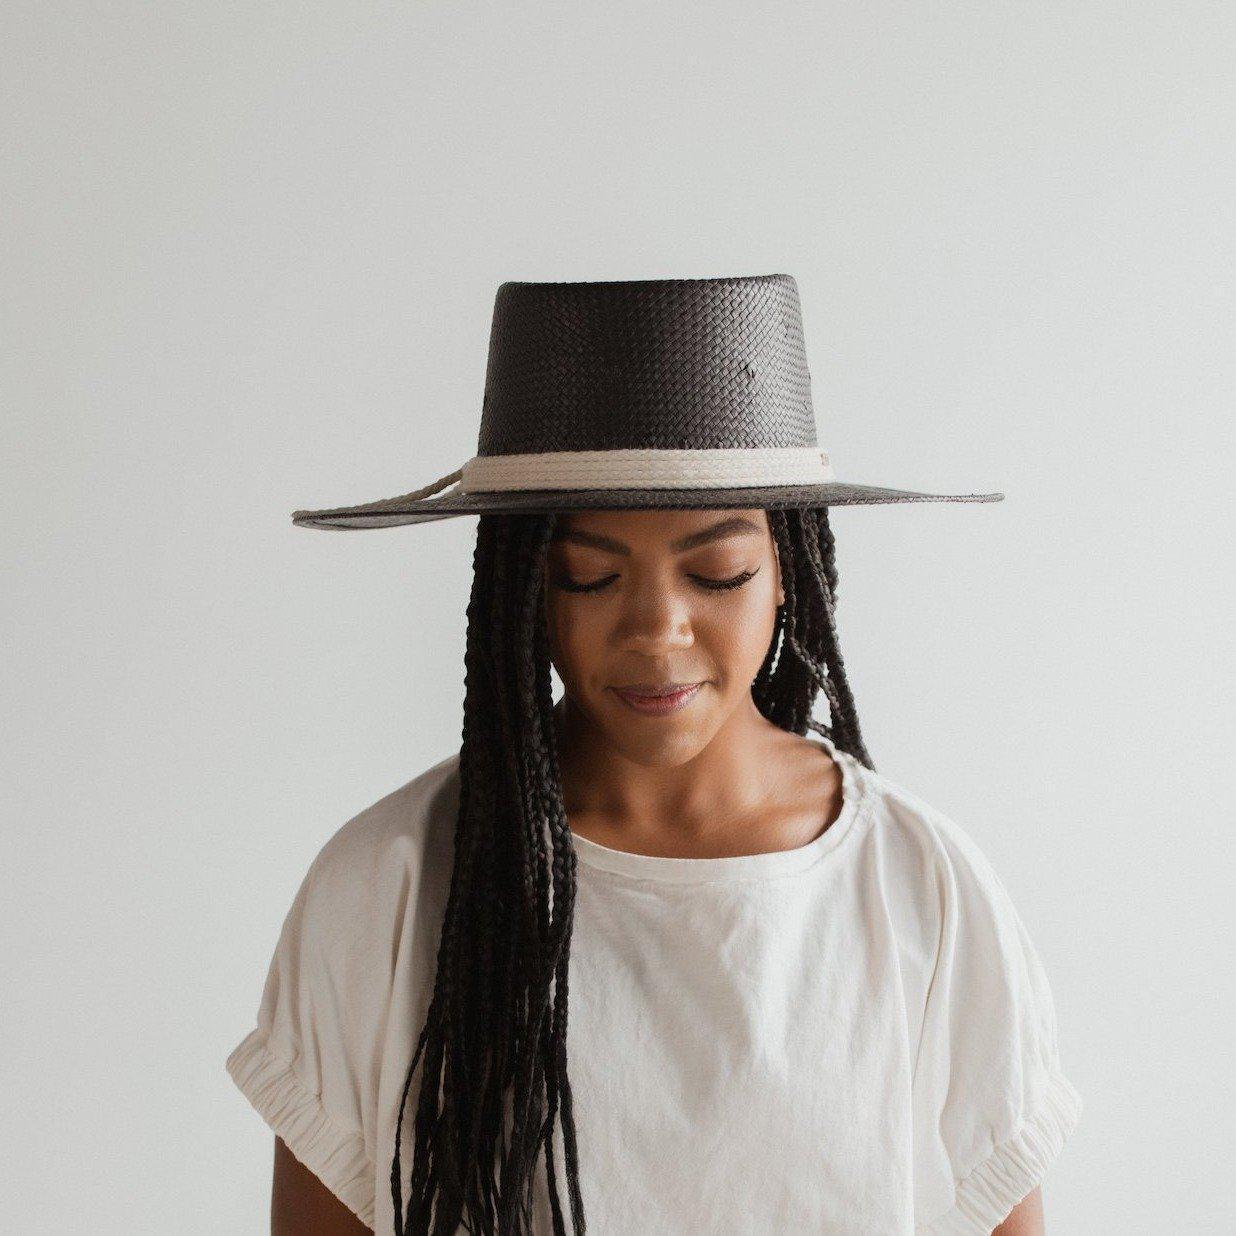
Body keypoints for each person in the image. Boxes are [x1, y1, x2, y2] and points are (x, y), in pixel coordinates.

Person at [225, 275, 1082, 1235]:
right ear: (521, 589)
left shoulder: (921, 887)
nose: (655, 630)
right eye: (588, 577)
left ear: (790, 567)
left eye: (717, 572)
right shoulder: (387, 884)